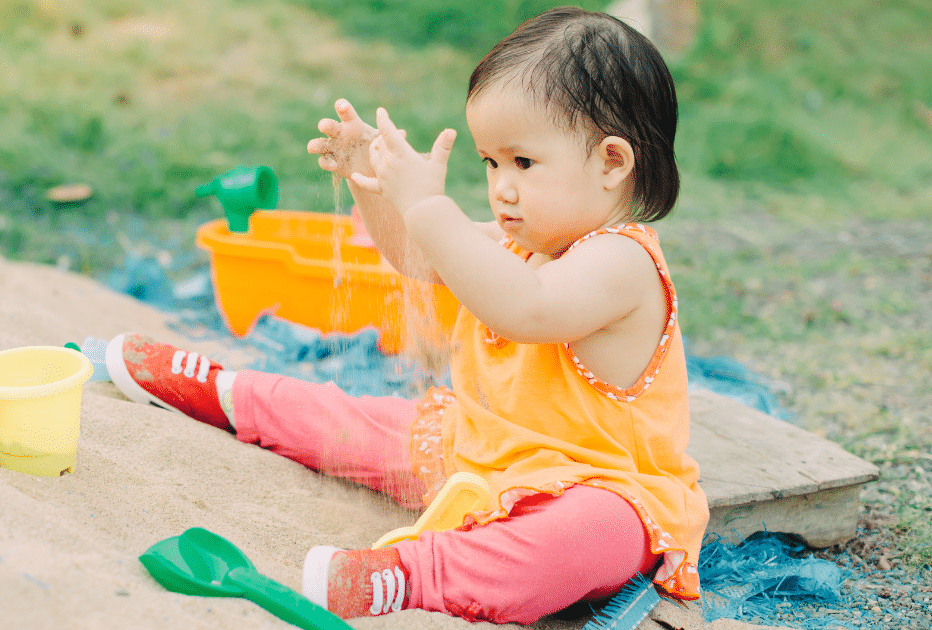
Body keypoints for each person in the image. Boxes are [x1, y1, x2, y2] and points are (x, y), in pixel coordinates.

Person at [111, 6, 708, 624]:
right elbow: (421, 258)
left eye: (523, 163)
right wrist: (371, 182)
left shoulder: (621, 262)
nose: (501, 187)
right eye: (490, 163)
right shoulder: (528, 240)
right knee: (366, 422)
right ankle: (227, 393)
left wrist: (429, 205)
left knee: (590, 533)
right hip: (487, 450)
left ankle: (411, 575)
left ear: (612, 163)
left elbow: (525, 309)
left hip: (601, 486)